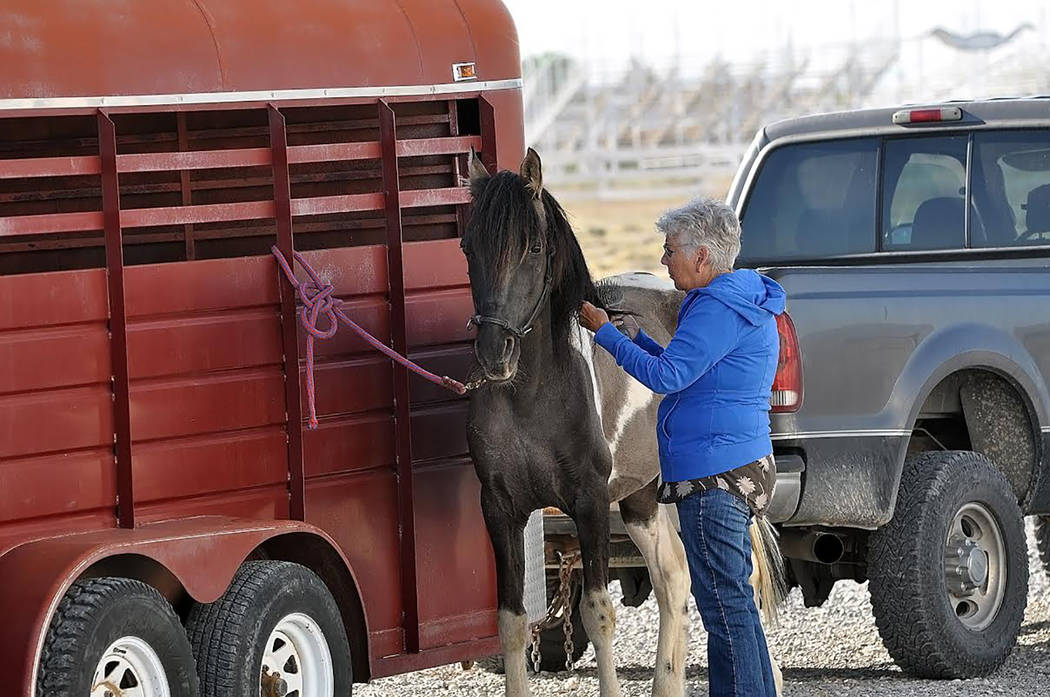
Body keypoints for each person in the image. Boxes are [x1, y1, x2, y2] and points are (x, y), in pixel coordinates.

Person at [579, 197, 785, 697]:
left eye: (670, 250)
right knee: (735, 607)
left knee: (722, 610)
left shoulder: (717, 309)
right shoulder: (733, 301)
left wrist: (606, 335)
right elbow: (688, 366)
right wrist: (638, 339)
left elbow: (669, 377)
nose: (662, 260)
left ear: (703, 257)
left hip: (714, 476)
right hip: (733, 467)